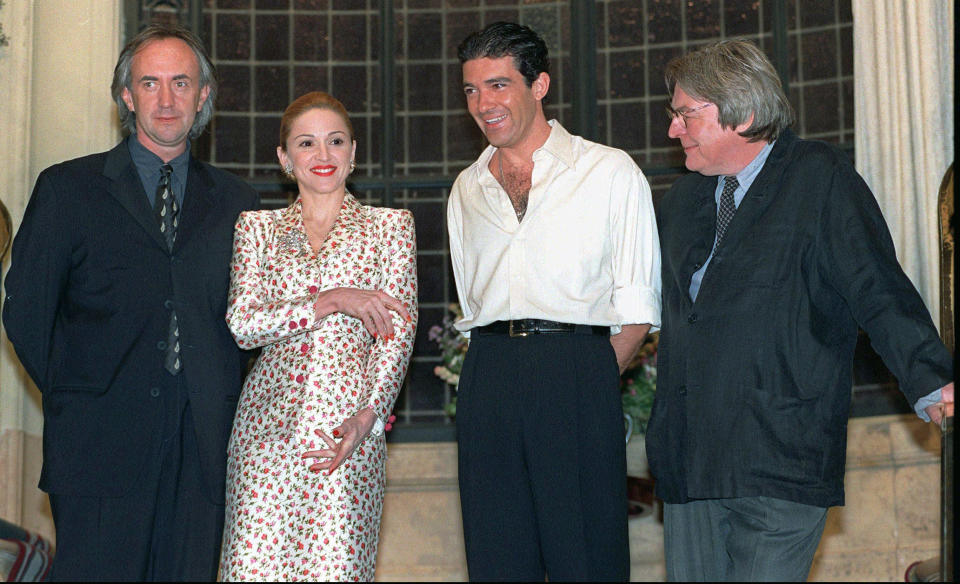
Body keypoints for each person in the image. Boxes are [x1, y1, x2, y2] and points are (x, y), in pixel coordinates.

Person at [648, 39, 955, 582]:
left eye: (684, 113)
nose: (673, 129)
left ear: (739, 114)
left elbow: (877, 288)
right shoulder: (680, 202)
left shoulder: (820, 179)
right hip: (690, 461)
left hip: (779, 454)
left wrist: (931, 381)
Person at [2, 24, 260, 581]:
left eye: (181, 83)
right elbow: (26, 312)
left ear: (204, 96)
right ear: (127, 96)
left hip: (202, 451)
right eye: (150, 83)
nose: (166, 100)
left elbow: (251, 322)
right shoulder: (68, 189)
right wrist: (84, 393)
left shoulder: (240, 202)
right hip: (98, 445)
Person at [448, 22, 661, 581]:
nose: (483, 104)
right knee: (497, 558)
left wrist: (583, 374)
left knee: (585, 558)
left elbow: (638, 306)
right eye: (471, 90)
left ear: (539, 85)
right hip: (488, 374)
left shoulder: (609, 171)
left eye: (497, 85)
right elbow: (470, 296)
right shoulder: (465, 188)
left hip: (576, 367)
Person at [218, 91, 417, 581]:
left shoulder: (390, 228)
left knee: (336, 571)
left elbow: (397, 333)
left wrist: (370, 415)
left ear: (354, 151)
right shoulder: (257, 229)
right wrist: (329, 301)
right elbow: (243, 324)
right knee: (250, 570)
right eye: (307, 143)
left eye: (335, 141)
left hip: (346, 435)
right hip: (263, 436)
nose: (322, 156)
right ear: (285, 158)